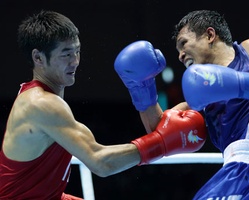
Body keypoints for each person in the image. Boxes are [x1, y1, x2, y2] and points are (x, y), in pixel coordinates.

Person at [0, 10, 207, 200]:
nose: (75, 61)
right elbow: (101, 162)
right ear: (38, 57)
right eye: (66, 54)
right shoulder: (41, 104)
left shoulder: (42, 98)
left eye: (77, 51)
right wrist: (160, 143)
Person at [114, 10, 249, 199]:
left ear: (210, 35)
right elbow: (161, 130)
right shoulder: (202, 96)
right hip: (241, 176)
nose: (180, 56)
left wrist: (238, 85)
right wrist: (142, 88)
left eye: (183, 44)